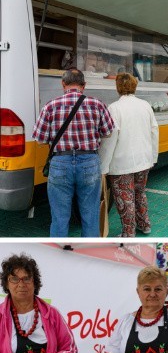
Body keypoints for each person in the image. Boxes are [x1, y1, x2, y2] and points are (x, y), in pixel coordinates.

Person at [32, 68, 114, 237]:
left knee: (60, 218)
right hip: (89, 161)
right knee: (90, 216)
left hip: (60, 162)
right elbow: (108, 132)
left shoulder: (50, 106)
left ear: (63, 83)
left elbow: (39, 138)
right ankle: (89, 251)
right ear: (84, 85)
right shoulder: (97, 104)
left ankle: (59, 254)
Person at [98, 73, 159, 237]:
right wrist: (153, 156)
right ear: (135, 86)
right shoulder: (145, 105)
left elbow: (110, 138)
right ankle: (145, 224)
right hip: (144, 160)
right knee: (140, 193)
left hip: (122, 162)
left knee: (125, 198)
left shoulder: (114, 108)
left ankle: (128, 233)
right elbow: (154, 131)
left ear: (117, 87)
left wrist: (103, 165)